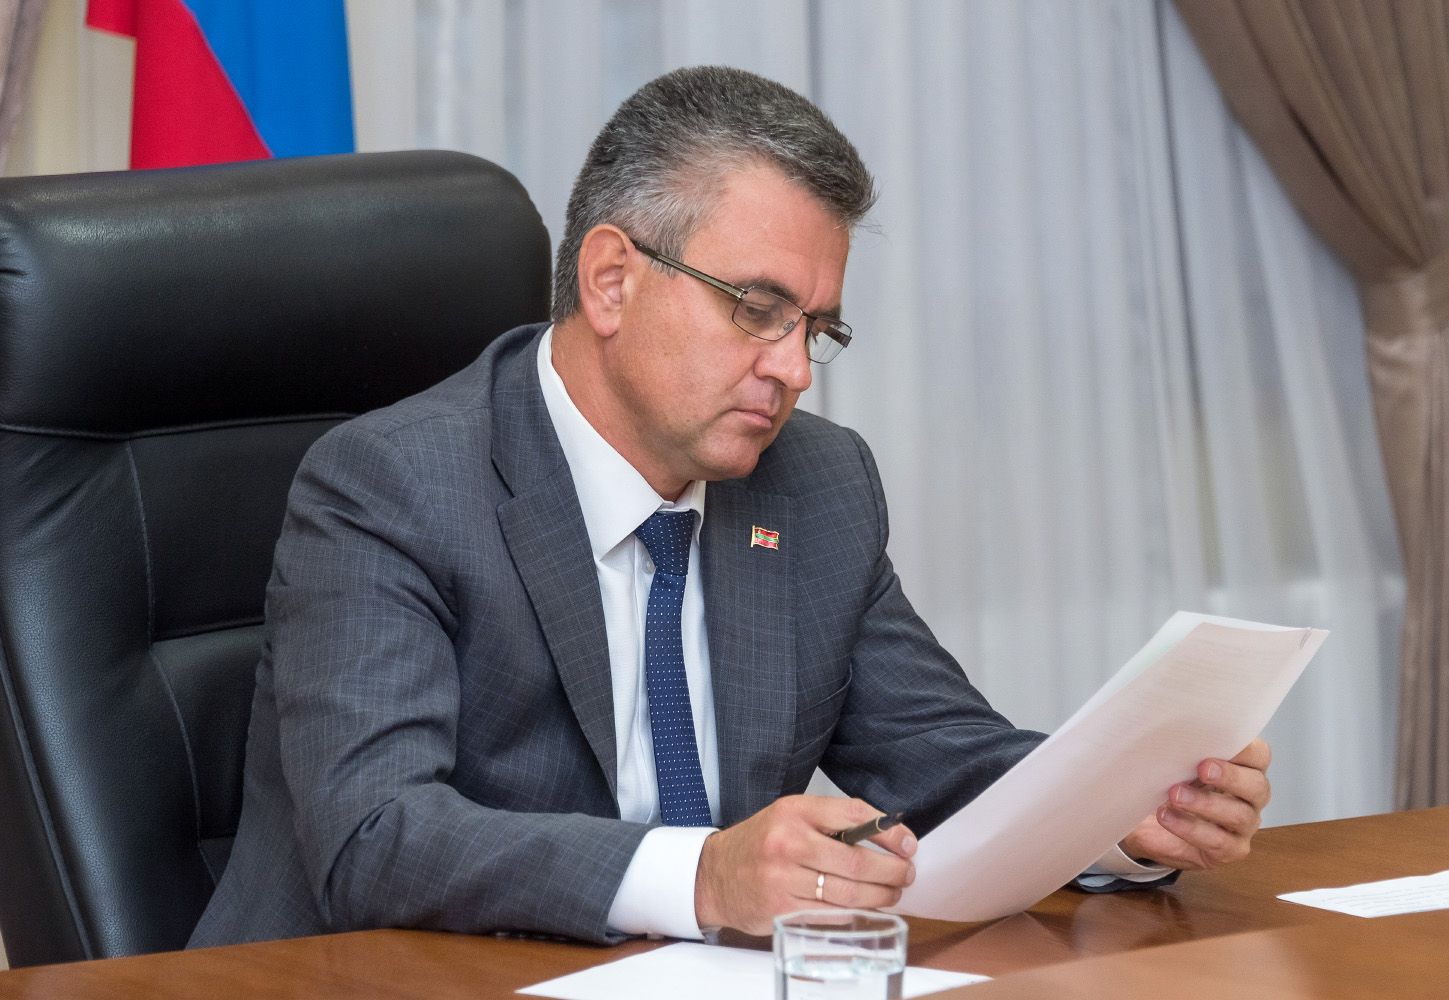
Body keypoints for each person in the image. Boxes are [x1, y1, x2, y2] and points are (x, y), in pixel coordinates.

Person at [190, 65, 1271, 948]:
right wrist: (705, 875)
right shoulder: (390, 485)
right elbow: (375, 836)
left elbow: (943, 760)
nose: (794, 370)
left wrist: (1118, 814)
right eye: (759, 309)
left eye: (818, 329)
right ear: (611, 280)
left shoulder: (818, 484)